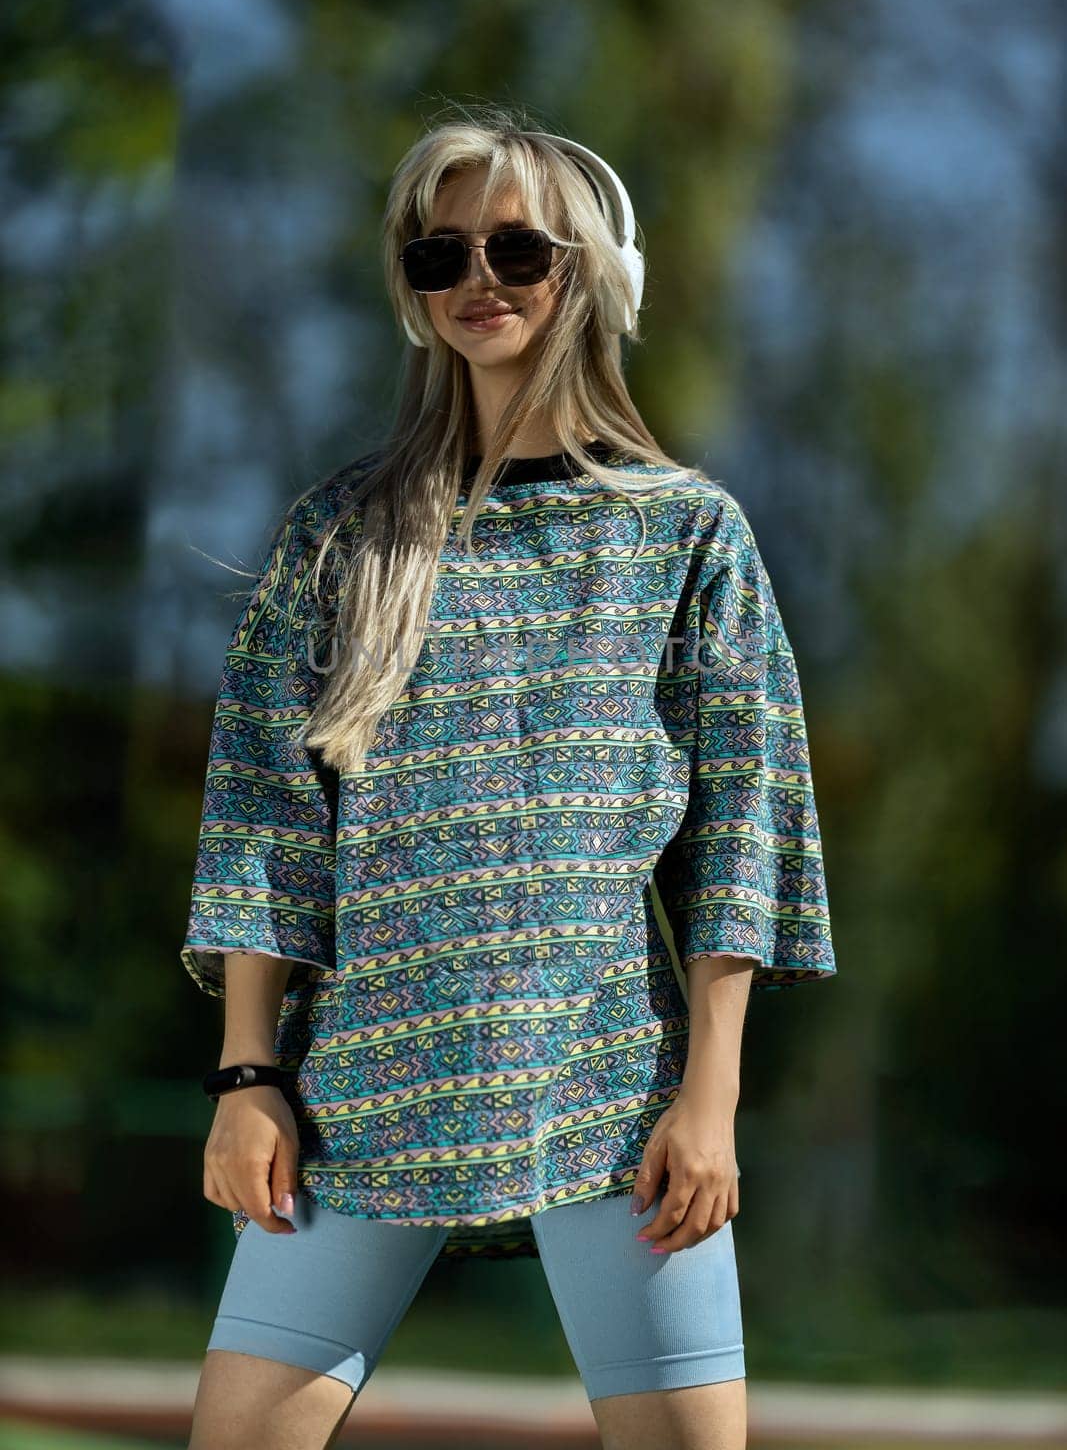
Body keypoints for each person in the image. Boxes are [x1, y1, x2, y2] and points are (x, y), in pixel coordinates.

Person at [183, 108, 836, 1450]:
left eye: (517, 248)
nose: (479, 278)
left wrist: (708, 1100)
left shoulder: (685, 534)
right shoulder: (343, 536)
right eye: (441, 254)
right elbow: (264, 817)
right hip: (358, 1089)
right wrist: (248, 1074)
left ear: (582, 268)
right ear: (414, 293)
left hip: (613, 1084)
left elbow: (741, 842)